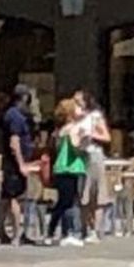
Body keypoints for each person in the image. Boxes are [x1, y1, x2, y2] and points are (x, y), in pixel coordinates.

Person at [0, 84, 39, 246]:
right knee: (14, 198)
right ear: (24, 98)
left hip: (12, 163)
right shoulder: (15, 116)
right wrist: (21, 164)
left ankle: (2, 232)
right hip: (13, 164)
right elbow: (14, 142)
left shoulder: (15, 115)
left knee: (6, 198)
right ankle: (16, 233)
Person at [46, 99, 88, 248]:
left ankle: (53, 231)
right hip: (72, 168)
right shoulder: (72, 128)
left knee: (63, 202)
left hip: (61, 168)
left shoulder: (60, 130)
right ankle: (68, 233)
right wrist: (85, 142)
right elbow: (77, 147)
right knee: (70, 202)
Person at [74, 91, 112, 243]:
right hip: (79, 157)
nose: (76, 104)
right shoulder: (77, 118)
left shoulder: (95, 116)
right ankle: (84, 229)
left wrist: (90, 135)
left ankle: (96, 231)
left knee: (96, 194)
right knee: (83, 195)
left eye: (78, 101)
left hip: (93, 156)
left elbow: (107, 137)